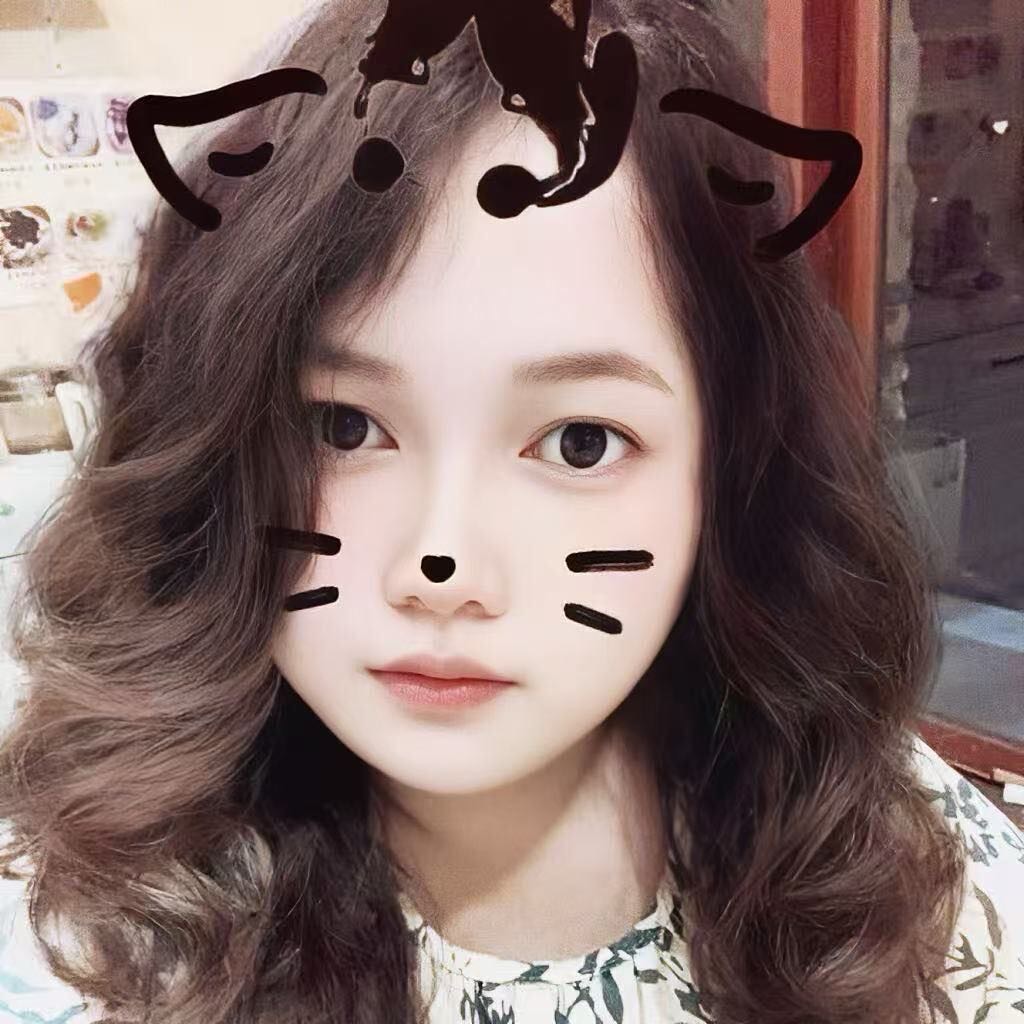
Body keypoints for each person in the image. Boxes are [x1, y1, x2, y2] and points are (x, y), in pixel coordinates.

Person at [1, 1, 1022, 1022]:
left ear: (728, 469)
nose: (441, 567)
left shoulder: (904, 869)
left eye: (580, 441)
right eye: (343, 427)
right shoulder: (92, 936)